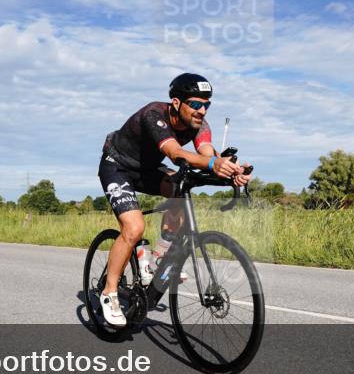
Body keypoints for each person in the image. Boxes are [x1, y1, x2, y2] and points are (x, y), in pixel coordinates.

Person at [97, 73, 251, 327]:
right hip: (117, 165)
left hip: (146, 170)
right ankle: (109, 292)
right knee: (134, 227)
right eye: (196, 104)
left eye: (207, 104)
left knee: (181, 189)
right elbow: (174, 152)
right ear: (177, 103)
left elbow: (206, 155)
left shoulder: (200, 125)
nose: (202, 110)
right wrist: (214, 163)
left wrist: (230, 172)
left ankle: (158, 257)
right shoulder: (153, 114)